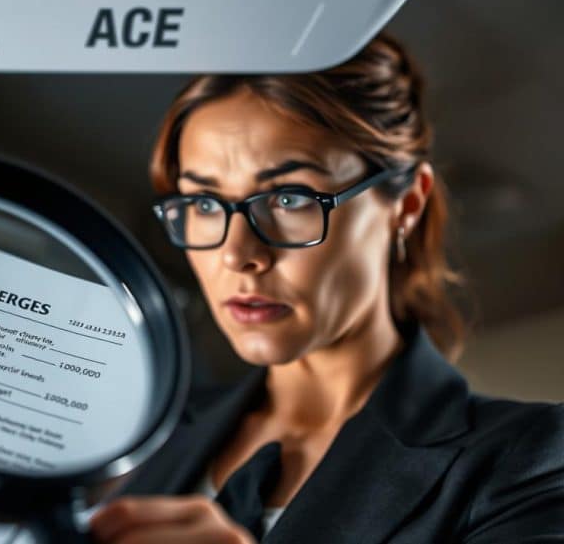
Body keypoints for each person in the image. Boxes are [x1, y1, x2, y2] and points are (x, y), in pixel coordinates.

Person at [87, 32, 564, 543]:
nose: (239, 255)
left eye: (290, 199)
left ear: (406, 205)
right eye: (204, 205)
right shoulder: (139, 445)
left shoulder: (527, 458)